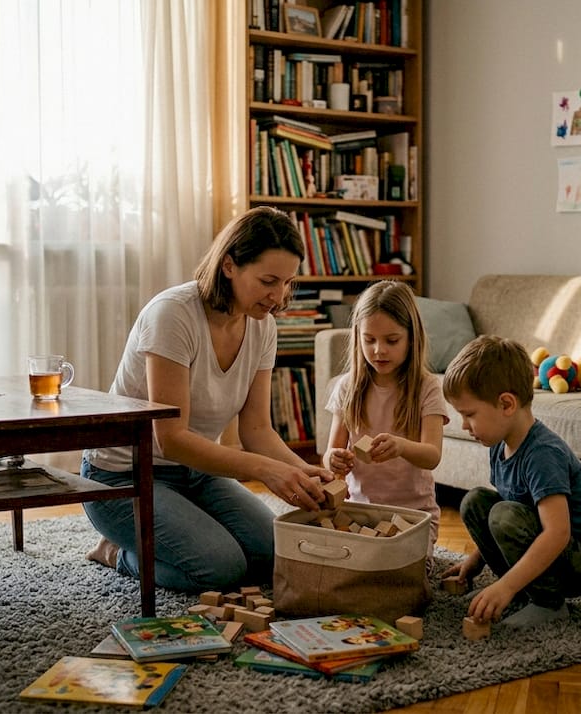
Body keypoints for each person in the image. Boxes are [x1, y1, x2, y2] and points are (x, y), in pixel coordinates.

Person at [82, 206, 336, 592]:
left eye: (287, 282)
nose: (279, 296)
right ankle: (116, 552)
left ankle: (166, 537)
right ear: (229, 265)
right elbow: (172, 439)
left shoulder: (263, 326)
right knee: (220, 568)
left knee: (274, 555)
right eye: (268, 281)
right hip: (123, 477)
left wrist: (303, 472)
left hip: (195, 473)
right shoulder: (173, 315)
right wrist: (266, 471)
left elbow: (257, 430)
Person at [439, 335, 581, 627]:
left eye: (469, 415)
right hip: (553, 547)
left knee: (504, 514)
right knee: (475, 502)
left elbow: (557, 533)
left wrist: (504, 586)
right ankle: (523, 588)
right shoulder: (499, 444)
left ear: (506, 404)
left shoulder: (543, 454)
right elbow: (514, 510)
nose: (464, 425)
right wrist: (475, 561)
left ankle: (548, 603)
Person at [323, 280, 447, 557]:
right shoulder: (347, 386)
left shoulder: (427, 387)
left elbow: (432, 455)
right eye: (369, 340)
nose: (379, 350)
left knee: (404, 571)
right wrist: (333, 459)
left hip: (415, 517)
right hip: (359, 512)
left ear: (411, 337)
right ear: (358, 337)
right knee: (347, 563)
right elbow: (331, 453)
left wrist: (401, 446)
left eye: (391, 340)